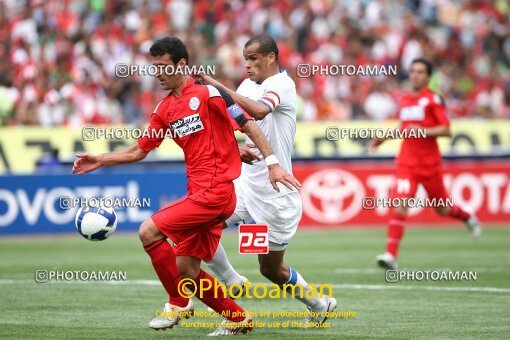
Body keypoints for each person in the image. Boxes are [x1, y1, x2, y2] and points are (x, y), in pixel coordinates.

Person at [72, 36, 299, 336]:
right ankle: (237, 318)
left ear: (182, 65)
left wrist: (271, 162)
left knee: (148, 231)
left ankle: (179, 302)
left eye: (164, 67)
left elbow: (248, 122)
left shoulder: (209, 94)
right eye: (154, 68)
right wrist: (100, 159)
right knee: (186, 270)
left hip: (217, 193)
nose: (158, 74)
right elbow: (139, 150)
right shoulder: (164, 109)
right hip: (199, 193)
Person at [197, 35, 337, 328]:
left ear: (271, 57)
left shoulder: (282, 85)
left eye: (253, 59)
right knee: (199, 229)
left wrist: (216, 86)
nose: (247, 65)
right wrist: (236, 146)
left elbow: (259, 110)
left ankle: (318, 303)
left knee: (270, 270)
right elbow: (232, 120)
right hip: (245, 187)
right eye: (245, 59)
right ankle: (230, 286)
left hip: (275, 196)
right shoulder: (246, 86)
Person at [367, 58, 481, 270]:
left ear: (428, 77)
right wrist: (383, 138)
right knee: (400, 203)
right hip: (407, 163)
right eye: (412, 71)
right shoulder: (405, 99)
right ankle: (390, 256)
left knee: (443, 209)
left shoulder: (434, 100)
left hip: (430, 165)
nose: (415, 75)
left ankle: (467, 216)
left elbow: (446, 130)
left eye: (420, 72)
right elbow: (405, 127)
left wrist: (421, 130)